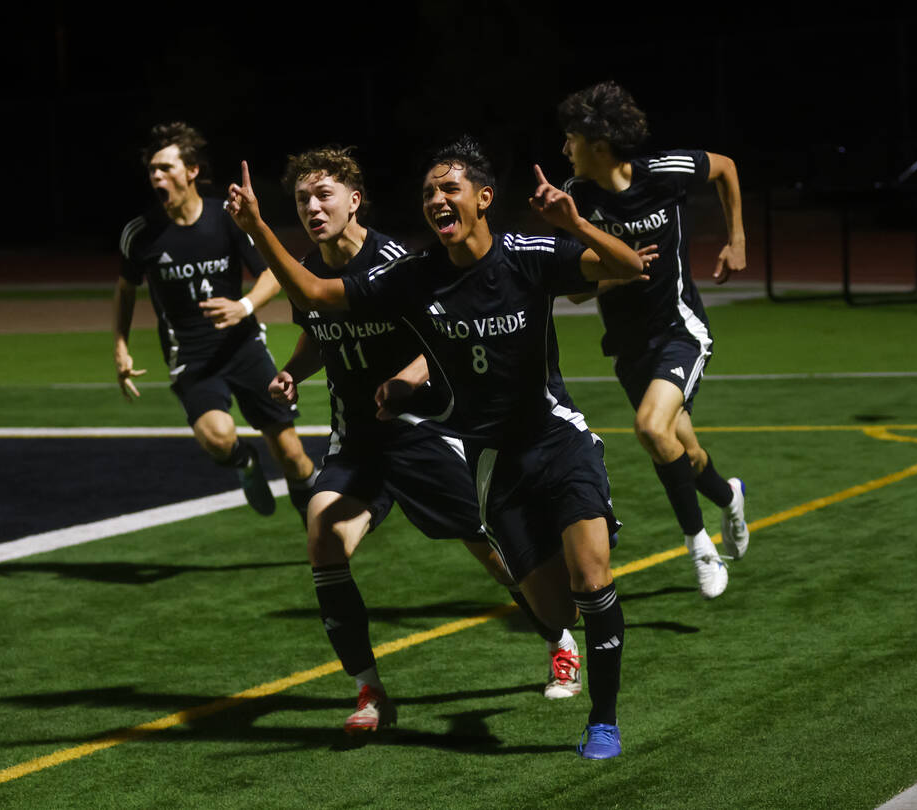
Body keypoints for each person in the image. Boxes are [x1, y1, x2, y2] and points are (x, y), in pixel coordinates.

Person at [226, 136, 644, 760]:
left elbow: (628, 268)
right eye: (428, 192)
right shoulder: (387, 276)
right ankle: (371, 690)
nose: (437, 199)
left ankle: (582, 682)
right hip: (422, 448)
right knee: (328, 536)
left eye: (449, 189)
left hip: (490, 435)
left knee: (551, 567)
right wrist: (261, 237)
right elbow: (316, 308)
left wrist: (574, 223)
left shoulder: (473, 259)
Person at [557, 80, 749, 599]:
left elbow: (726, 167)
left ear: (598, 146)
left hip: (680, 330)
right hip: (627, 345)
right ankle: (729, 496)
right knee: (682, 452)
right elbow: (572, 292)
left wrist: (736, 241)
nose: (564, 148)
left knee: (648, 427)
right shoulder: (575, 200)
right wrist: (617, 273)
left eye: (571, 138)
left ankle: (699, 546)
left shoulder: (663, 172)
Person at [115, 122, 317, 518]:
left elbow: (272, 272)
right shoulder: (140, 234)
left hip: (242, 347)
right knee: (218, 438)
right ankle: (244, 462)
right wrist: (120, 347)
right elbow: (125, 289)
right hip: (191, 356)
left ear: (191, 172)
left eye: (166, 168)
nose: (157, 176)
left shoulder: (227, 218)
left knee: (293, 456)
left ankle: (317, 521)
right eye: (153, 170)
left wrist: (243, 307)